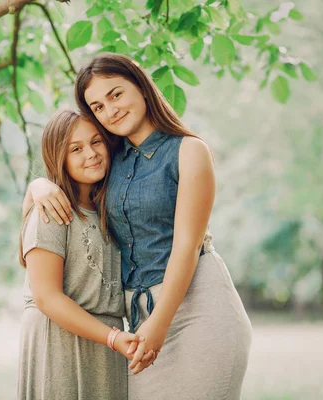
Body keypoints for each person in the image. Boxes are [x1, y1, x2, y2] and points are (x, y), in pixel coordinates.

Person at [24, 53, 252, 400]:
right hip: (140, 319)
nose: (110, 110)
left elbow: (187, 246)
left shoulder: (189, 151)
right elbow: (62, 190)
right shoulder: (108, 160)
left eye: (116, 94)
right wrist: (37, 186)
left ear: (142, 88)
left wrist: (158, 324)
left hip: (198, 306)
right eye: (98, 106)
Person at [17, 109, 144, 400]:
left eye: (96, 142)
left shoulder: (110, 209)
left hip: (108, 345)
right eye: (76, 149)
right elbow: (47, 297)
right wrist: (112, 337)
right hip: (60, 340)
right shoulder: (50, 210)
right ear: (59, 157)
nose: (91, 153)